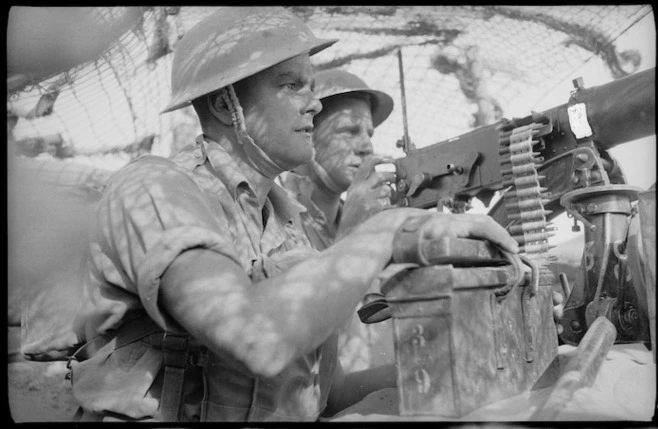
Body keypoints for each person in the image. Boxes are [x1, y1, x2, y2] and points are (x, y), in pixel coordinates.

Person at [68, 7, 524, 422]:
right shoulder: (154, 188)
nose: (315, 102)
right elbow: (253, 337)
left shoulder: (289, 225)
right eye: (291, 84)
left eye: (311, 83)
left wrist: (451, 362)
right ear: (225, 103)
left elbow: (330, 394)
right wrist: (383, 233)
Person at [281, 69, 396, 372]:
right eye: (349, 130)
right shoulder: (277, 217)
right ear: (308, 133)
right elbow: (298, 325)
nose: (366, 146)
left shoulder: (366, 217)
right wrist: (352, 232)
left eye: (369, 133)